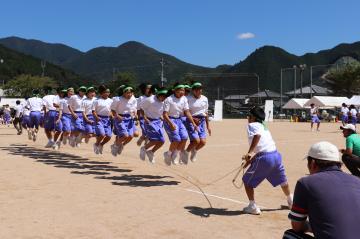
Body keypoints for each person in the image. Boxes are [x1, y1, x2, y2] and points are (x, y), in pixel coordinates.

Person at [284, 141, 360, 239]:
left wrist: (313, 226)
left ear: (312, 163)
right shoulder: (357, 181)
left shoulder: (306, 183)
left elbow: (297, 226)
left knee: (290, 235)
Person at [242, 106, 292, 215]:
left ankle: (252, 206)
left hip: (265, 158)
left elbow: (257, 136)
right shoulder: (264, 126)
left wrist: (249, 153)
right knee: (282, 181)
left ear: (253, 117)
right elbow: (262, 148)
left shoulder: (252, 125)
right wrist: (249, 161)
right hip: (275, 155)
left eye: (249, 116)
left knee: (247, 181)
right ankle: (291, 200)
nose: (248, 118)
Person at [163, 83, 198, 165]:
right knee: (177, 139)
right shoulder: (169, 99)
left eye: (183, 90)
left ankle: (175, 154)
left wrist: (193, 123)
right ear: (175, 90)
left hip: (179, 120)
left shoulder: (184, 99)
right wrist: (171, 124)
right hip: (170, 120)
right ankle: (168, 154)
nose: (182, 92)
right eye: (180, 90)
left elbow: (187, 112)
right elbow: (165, 114)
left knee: (185, 137)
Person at [139, 87, 168, 163]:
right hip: (149, 122)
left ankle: (151, 152)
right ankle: (144, 148)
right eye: (163, 96)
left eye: (165, 96)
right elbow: (141, 108)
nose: (164, 98)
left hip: (158, 122)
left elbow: (160, 111)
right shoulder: (150, 100)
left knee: (162, 141)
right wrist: (144, 118)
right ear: (158, 94)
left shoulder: (164, 101)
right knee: (154, 140)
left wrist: (161, 117)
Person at [184, 82, 211, 162]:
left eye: (200, 89)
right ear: (193, 90)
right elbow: (185, 112)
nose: (198, 90)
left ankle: (194, 151)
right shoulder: (188, 98)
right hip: (191, 120)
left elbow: (206, 113)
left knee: (203, 142)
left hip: (201, 121)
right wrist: (193, 119)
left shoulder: (205, 99)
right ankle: (186, 153)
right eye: (196, 89)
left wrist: (208, 126)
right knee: (196, 141)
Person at [110, 86, 138, 156]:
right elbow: (112, 110)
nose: (130, 94)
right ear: (124, 93)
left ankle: (121, 145)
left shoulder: (133, 99)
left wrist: (136, 117)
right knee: (125, 135)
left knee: (131, 136)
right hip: (120, 118)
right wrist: (117, 116)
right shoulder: (118, 99)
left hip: (130, 119)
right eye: (128, 93)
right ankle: (115, 146)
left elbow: (134, 109)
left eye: (131, 93)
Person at [92, 85, 113, 154]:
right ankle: (96, 144)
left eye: (108, 92)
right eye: (106, 92)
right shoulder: (96, 101)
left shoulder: (111, 101)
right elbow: (93, 111)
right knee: (102, 134)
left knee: (109, 136)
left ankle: (101, 144)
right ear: (102, 93)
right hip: (99, 118)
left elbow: (112, 110)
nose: (107, 93)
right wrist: (97, 117)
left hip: (107, 120)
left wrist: (111, 115)